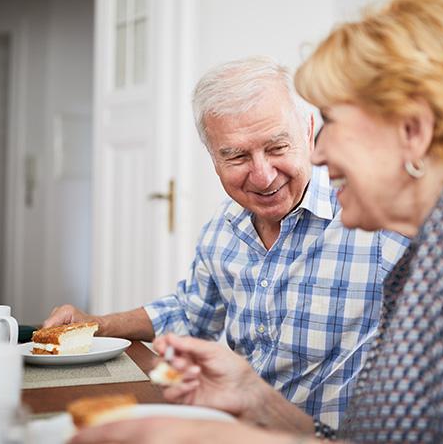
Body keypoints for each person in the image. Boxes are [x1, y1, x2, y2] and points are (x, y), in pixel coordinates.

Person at [70, 0, 443, 443]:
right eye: (237, 155)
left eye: (331, 121)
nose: (316, 154)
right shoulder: (435, 246)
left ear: (412, 131)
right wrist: (255, 400)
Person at [46, 56, 412, 426]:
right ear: (213, 157)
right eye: (236, 155)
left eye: (277, 148)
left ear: (308, 131)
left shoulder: (373, 216)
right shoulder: (225, 225)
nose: (263, 176)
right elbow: (191, 313)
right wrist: (94, 325)